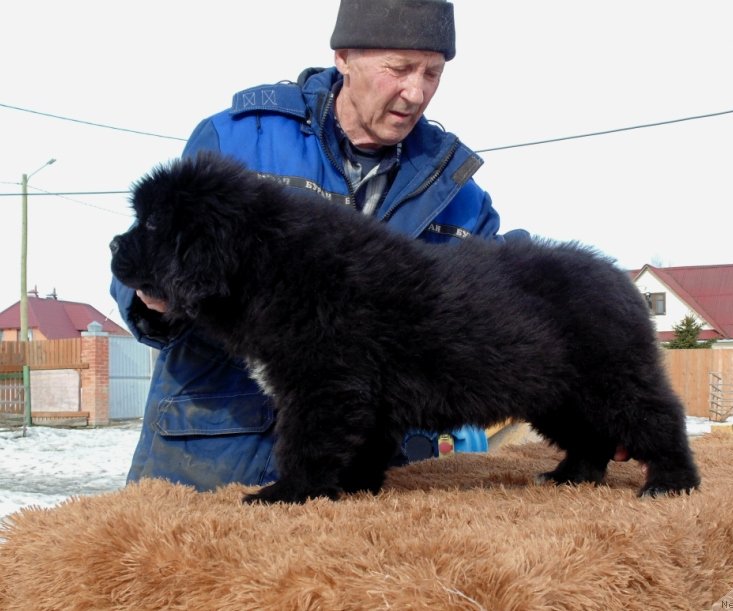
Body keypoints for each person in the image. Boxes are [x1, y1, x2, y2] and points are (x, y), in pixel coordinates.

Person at [111, 0, 522, 492]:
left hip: (377, 475)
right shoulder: (239, 139)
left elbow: (508, 306)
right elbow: (149, 253)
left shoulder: (457, 190)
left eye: (433, 73)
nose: (416, 92)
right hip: (219, 459)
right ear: (344, 58)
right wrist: (153, 300)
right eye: (399, 69)